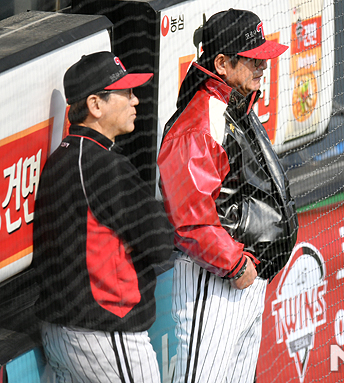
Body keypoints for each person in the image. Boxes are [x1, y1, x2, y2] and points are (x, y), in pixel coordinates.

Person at [157, 9, 298, 383]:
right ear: (222, 62)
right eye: (253, 60)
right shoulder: (199, 123)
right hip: (216, 280)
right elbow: (190, 220)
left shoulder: (237, 105)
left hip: (244, 277)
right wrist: (236, 265)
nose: (262, 67)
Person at [32, 51, 174, 383]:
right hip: (104, 335)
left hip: (65, 331)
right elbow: (159, 243)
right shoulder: (102, 165)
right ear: (95, 105)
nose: (135, 100)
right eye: (125, 93)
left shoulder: (63, 158)